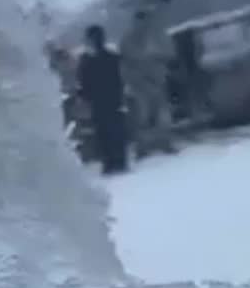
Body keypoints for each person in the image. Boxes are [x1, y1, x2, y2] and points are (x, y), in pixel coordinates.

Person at [119, 10, 179, 157]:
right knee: (142, 118)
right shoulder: (127, 40)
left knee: (163, 115)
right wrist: (132, 80)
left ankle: (166, 143)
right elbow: (125, 64)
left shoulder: (158, 37)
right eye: (139, 22)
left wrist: (158, 57)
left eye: (144, 22)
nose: (142, 25)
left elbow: (170, 54)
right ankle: (142, 148)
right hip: (140, 84)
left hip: (158, 81)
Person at [77, 24, 129, 174]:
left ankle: (111, 162)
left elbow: (83, 83)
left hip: (100, 101)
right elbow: (120, 79)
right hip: (111, 100)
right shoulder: (112, 57)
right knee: (114, 131)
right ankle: (118, 161)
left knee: (105, 132)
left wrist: (84, 96)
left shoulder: (86, 61)